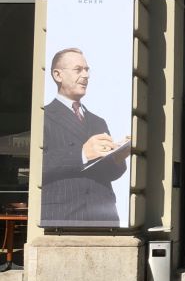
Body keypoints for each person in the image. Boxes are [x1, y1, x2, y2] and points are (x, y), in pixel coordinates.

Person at [41, 48, 130, 227]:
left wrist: (118, 158)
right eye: (78, 69)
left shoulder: (98, 121)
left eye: (87, 69)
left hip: (104, 218)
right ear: (58, 75)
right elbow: (36, 164)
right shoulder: (44, 116)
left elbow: (108, 174)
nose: (86, 75)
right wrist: (81, 154)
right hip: (63, 217)